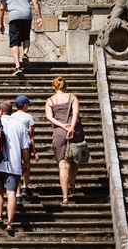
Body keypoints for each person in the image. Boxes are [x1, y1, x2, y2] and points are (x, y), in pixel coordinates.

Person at [0, 101, 30, 232]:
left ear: (0, 111)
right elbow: (26, 147)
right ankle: (10, 222)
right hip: (14, 165)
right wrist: (26, 163)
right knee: (11, 192)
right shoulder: (20, 125)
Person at [45, 77, 84, 205]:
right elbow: (76, 113)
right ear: (65, 86)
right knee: (75, 158)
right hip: (75, 130)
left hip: (59, 132)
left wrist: (63, 126)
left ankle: (65, 197)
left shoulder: (50, 100)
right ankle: (72, 181)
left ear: (54, 87)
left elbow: (50, 117)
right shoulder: (72, 97)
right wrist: (71, 128)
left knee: (63, 165)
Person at [0, 0, 42, 76]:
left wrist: (1, 24)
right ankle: (25, 54)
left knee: (14, 42)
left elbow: (1, 8)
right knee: (26, 37)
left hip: (14, 16)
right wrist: (39, 17)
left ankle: (18, 66)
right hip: (27, 15)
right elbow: (35, 2)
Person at [11, 95, 39, 205]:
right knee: (27, 165)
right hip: (26, 145)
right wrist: (35, 152)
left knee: (16, 167)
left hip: (14, 144)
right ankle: (24, 187)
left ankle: (17, 192)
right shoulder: (28, 117)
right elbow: (31, 136)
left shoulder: (12, 116)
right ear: (25, 105)